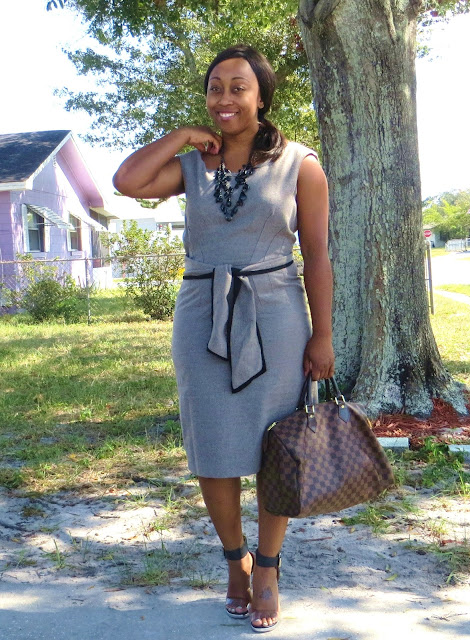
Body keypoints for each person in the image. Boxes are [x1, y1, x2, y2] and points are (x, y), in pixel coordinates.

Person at [113, 44, 334, 633]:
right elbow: (127, 181)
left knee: (278, 447)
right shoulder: (193, 165)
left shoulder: (300, 164)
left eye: (238, 86)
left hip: (276, 313)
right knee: (212, 445)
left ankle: (269, 566)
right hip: (201, 313)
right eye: (215, 87)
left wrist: (323, 336)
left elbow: (317, 255)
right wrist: (183, 135)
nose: (225, 98)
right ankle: (235, 562)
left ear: (261, 95)